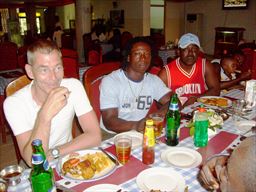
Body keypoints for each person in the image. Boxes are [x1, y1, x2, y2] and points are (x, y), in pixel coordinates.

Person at [3, 40, 101, 166]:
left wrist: (56, 152)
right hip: (35, 166)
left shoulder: (73, 87)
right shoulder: (13, 104)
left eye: (58, 67)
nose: (54, 77)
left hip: (67, 154)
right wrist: (44, 115)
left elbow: (95, 136)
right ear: (30, 71)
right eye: (44, 70)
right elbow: (33, 161)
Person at [100, 36, 172, 133]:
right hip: (111, 134)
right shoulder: (111, 81)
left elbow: (174, 101)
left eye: (147, 54)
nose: (143, 58)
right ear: (129, 57)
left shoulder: (153, 80)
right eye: (137, 53)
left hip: (140, 131)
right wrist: (136, 125)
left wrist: (157, 116)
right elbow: (109, 121)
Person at [158, 33, 220, 107]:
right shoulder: (165, 72)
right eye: (185, 49)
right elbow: (158, 102)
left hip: (201, 109)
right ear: (178, 51)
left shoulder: (205, 65)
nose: (190, 53)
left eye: (194, 49)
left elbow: (216, 90)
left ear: (198, 52)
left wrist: (196, 99)